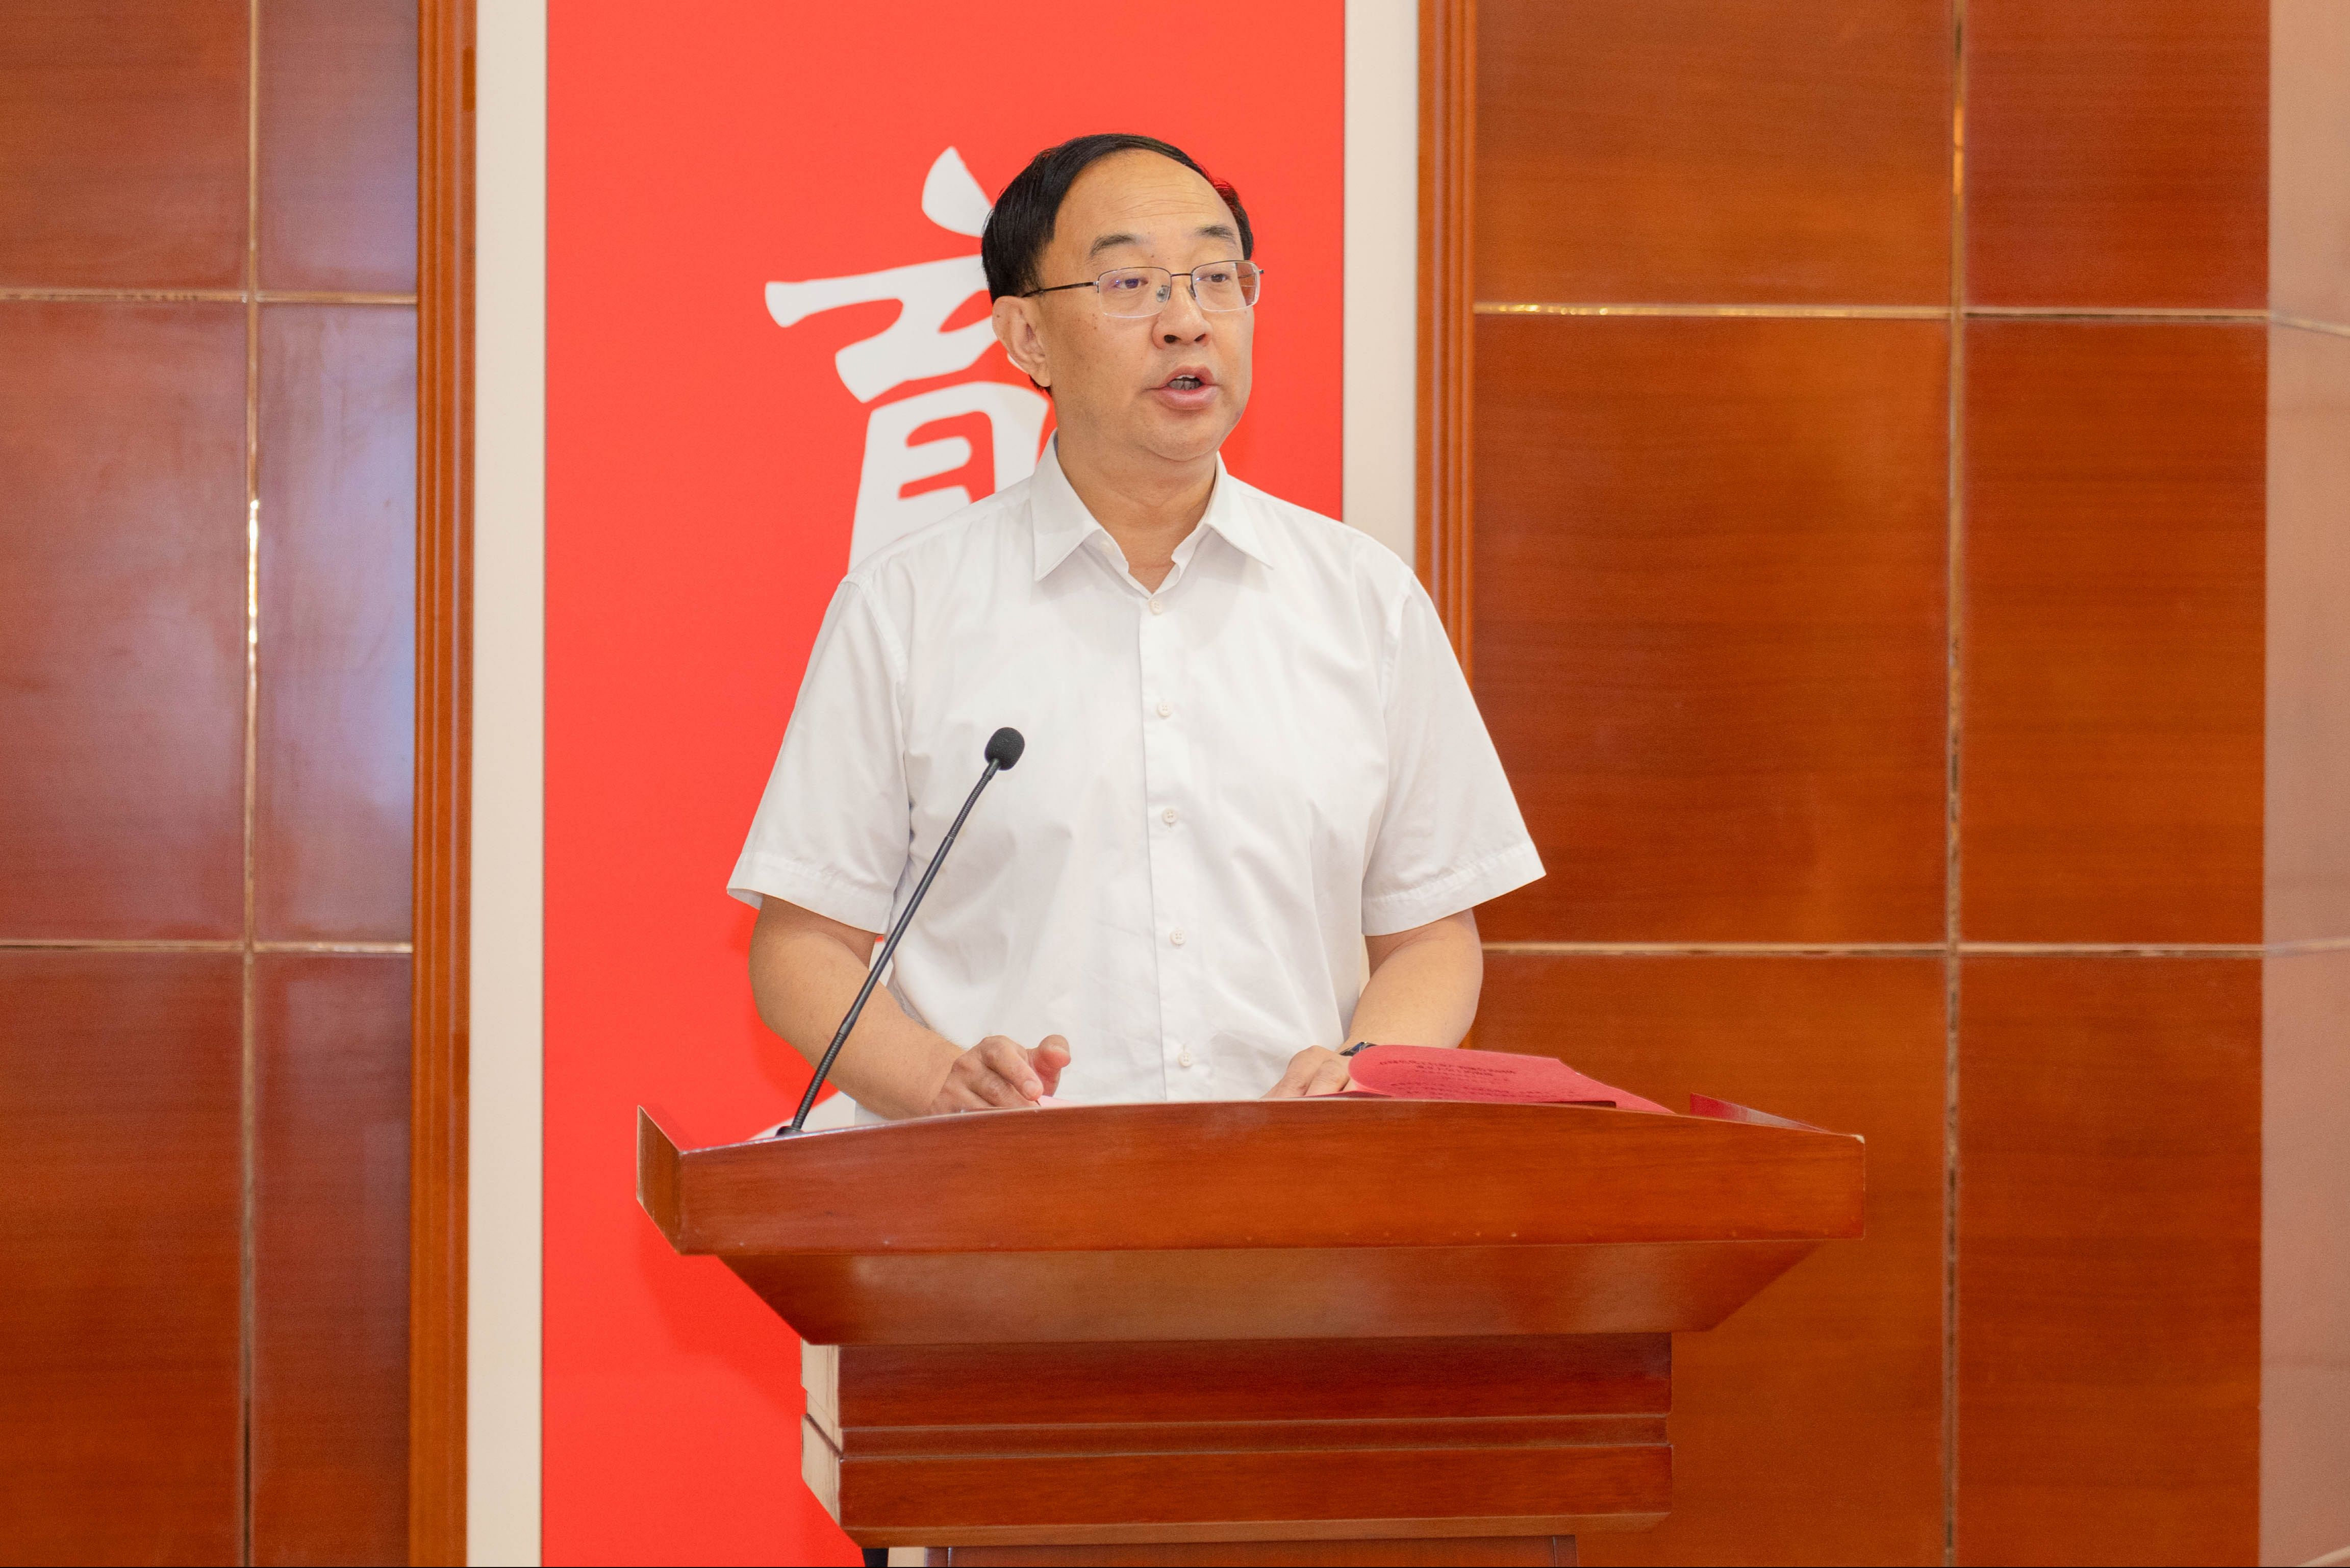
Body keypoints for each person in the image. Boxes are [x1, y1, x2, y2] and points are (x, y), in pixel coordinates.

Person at [729, 133, 1540, 1121]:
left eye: (1216, 278)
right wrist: (936, 1079)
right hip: (997, 1193)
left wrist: (1360, 1068)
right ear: (1026, 336)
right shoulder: (905, 606)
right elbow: (803, 943)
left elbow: (1431, 932)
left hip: (1288, 1188)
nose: (1187, 321)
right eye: (1130, 284)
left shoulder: (1364, 599)